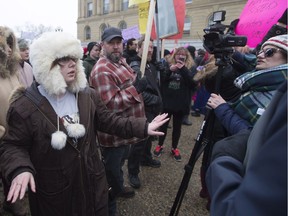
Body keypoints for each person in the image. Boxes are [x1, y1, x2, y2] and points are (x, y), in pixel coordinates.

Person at [0, 31, 168, 216]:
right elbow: (13, 146)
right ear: (45, 63)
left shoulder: (87, 94)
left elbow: (109, 121)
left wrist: (143, 126)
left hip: (92, 185)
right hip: (55, 195)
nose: (72, 63)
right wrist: (20, 168)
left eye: (74, 57)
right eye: (63, 59)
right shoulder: (25, 105)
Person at [89, 27, 148, 215]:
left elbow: (128, 83)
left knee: (120, 166)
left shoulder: (120, 62)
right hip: (113, 138)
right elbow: (110, 106)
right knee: (110, 178)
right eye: (111, 43)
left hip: (126, 133)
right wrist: (136, 89)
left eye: (118, 43)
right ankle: (109, 205)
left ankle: (119, 187)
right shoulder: (101, 70)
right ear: (103, 45)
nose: (116, 47)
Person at [206, 81, 287, 216]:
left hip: (242, 174)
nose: (261, 57)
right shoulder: (251, 82)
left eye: (269, 57)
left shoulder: (279, 94)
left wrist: (223, 157)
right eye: (258, 56)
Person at [207, 34, 288, 135]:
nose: (259, 55)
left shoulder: (282, 96)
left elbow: (255, 137)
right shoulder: (262, 79)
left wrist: (222, 108)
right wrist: (226, 46)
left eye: (269, 52)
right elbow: (247, 62)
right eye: (260, 51)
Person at [128, 37, 163, 188]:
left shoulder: (150, 65)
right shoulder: (136, 67)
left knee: (149, 138)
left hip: (152, 110)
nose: (150, 49)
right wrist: (155, 100)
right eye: (147, 47)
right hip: (142, 110)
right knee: (139, 141)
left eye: (152, 47)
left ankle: (146, 158)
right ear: (138, 48)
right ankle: (132, 172)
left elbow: (155, 85)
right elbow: (136, 92)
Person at [0, 26, 28, 216]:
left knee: (13, 173)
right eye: (5, 45)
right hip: (2, 136)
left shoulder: (14, 71)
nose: (10, 50)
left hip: (17, 136)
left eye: (11, 45)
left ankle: (12, 204)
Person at [153, 47, 197, 161]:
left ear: (186, 56)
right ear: (174, 55)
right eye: (178, 54)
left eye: (183, 55)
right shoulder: (168, 65)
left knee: (177, 127)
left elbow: (193, 84)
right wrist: (169, 71)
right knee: (163, 125)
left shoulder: (191, 67)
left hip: (181, 103)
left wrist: (183, 69)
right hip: (167, 102)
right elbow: (162, 81)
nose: (180, 56)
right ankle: (160, 145)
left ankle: (174, 147)